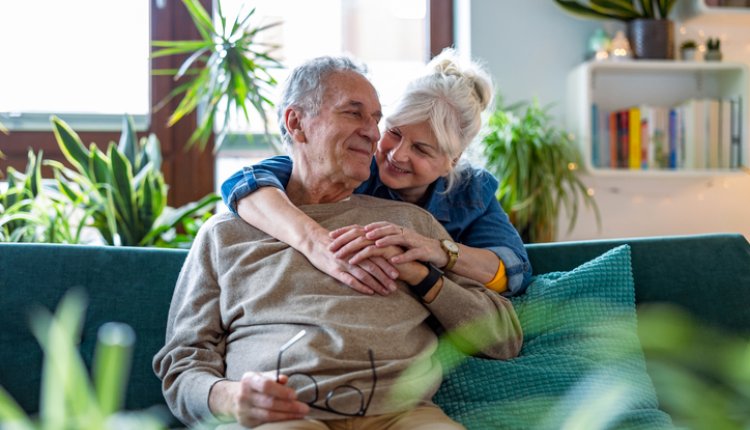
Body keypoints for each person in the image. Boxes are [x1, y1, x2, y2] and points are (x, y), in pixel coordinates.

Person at [153, 56, 522, 430]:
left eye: (376, 119)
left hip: (403, 416)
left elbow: (504, 333)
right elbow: (183, 362)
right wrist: (230, 398)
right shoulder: (227, 232)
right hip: (284, 418)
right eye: (354, 113)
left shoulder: (413, 226)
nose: (377, 136)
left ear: (450, 162)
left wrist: (424, 276)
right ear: (296, 123)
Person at [220, 48, 531, 298]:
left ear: (452, 159)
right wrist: (315, 242)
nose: (397, 154)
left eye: (421, 149)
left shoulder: (471, 192)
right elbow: (244, 183)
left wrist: (438, 250)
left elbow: (514, 270)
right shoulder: (355, 165)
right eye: (394, 133)